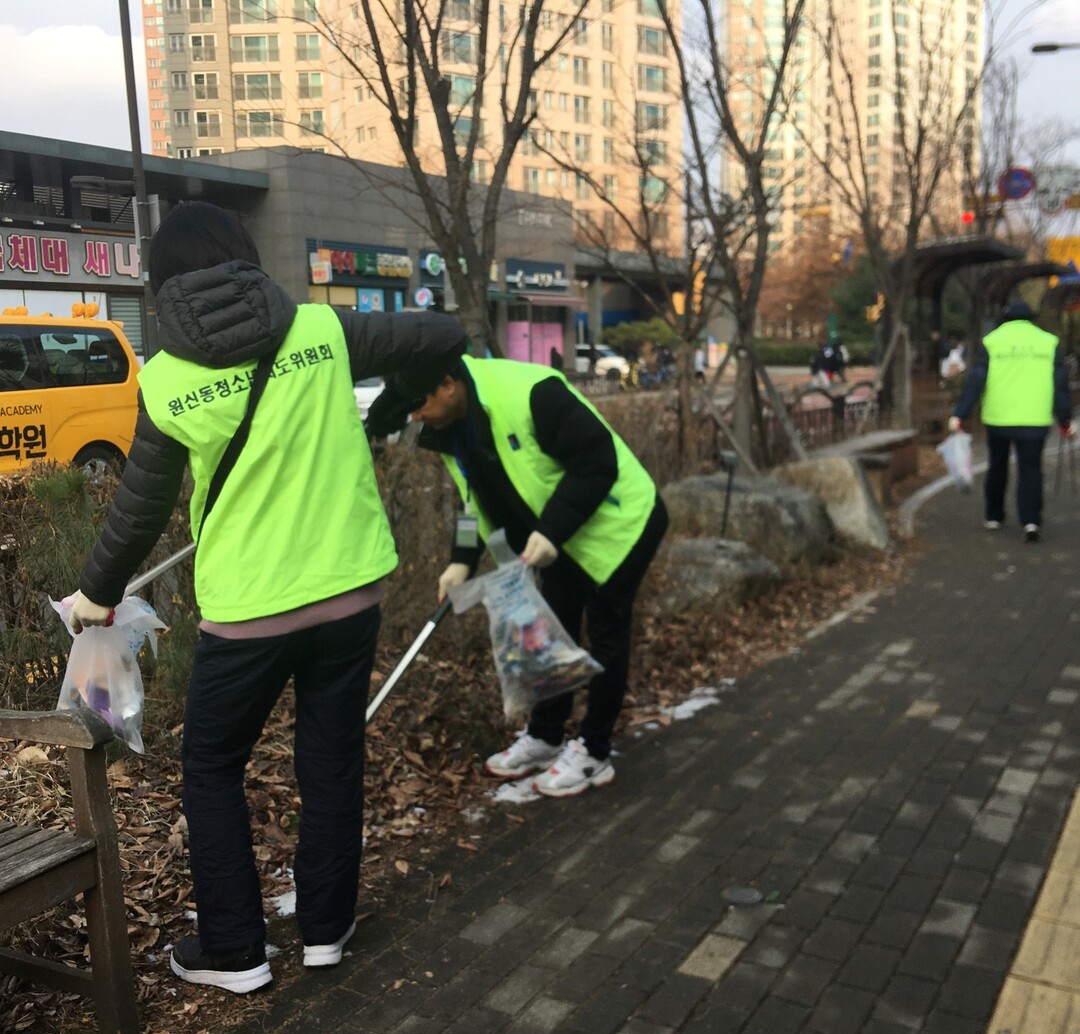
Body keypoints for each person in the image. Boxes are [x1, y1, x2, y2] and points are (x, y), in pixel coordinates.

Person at [64, 202, 466, 993]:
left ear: (165, 284)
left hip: (249, 609)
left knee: (212, 766)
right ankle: (326, 929)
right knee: (331, 754)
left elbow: (141, 507)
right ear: (244, 256)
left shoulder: (167, 378)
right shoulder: (321, 330)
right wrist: (392, 406)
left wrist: (95, 594)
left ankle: (235, 949)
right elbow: (442, 334)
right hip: (348, 591)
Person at [366, 353, 668, 797]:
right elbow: (472, 500)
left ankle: (594, 751)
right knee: (549, 629)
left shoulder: (532, 394)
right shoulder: (454, 430)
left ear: (447, 384)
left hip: (620, 526)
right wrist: (461, 560)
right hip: (560, 538)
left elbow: (597, 461)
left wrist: (552, 530)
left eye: (418, 404)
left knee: (607, 632)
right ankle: (546, 736)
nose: (415, 416)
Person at [949, 301, 1074, 542]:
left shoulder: (992, 341)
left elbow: (976, 381)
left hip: (998, 417)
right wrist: (1065, 420)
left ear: (1005, 319)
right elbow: (1060, 387)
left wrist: (960, 414)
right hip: (1035, 418)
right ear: (1031, 319)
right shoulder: (1048, 342)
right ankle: (1031, 521)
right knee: (1031, 469)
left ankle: (994, 515)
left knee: (997, 466)